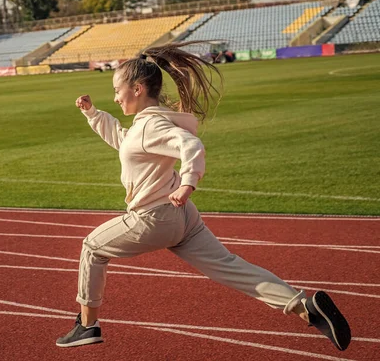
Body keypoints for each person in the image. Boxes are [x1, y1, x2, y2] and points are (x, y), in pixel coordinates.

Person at [55, 43, 351, 351]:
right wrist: (93, 113)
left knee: (92, 247)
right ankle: (305, 307)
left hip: (155, 217)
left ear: (138, 88)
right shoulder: (150, 123)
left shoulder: (151, 125)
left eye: (117, 90)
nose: (115, 97)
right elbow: (124, 140)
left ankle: (87, 326)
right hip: (183, 218)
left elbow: (190, 147)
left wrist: (188, 183)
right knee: (230, 266)